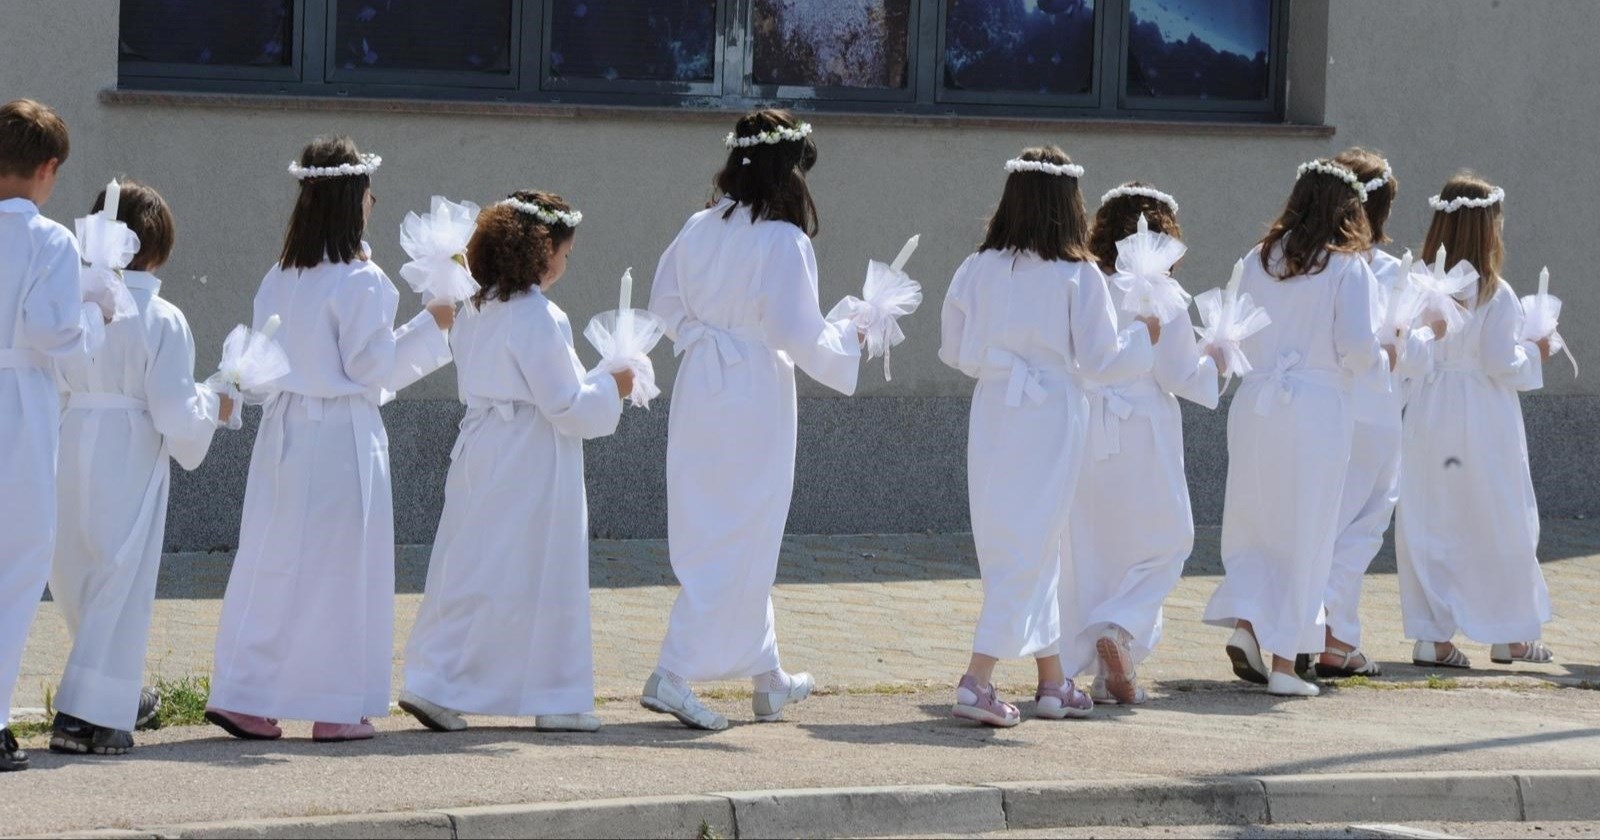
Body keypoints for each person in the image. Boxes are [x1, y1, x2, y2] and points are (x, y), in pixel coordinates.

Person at [206, 136, 454, 743]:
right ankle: (337, 705)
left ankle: (245, 692)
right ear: (353, 198)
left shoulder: (282, 272)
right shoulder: (363, 280)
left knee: (272, 559)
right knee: (342, 567)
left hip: (284, 430)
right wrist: (433, 324)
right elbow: (373, 369)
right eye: (369, 191)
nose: (374, 200)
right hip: (342, 434)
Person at [643, 110, 864, 731]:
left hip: (702, 385)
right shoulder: (783, 240)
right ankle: (673, 671)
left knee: (717, 519)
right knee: (743, 524)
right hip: (755, 391)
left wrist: (701, 337)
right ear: (787, 171)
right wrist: (854, 337)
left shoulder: (698, 225)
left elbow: (665, 304)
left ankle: (766, 674)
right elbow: (797, 334)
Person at [401, 191, 633, 734]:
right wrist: (615, 385)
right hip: (530, 457)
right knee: (542, 570)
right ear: (542, 252)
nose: (566, 266)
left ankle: (436, 680)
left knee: (469, 566)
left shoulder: (476, 309)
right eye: (566, 255)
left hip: (480, 449)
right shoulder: (539, 316)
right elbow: (567, 405)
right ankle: (555, 695)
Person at [940, 149, 1156, 727]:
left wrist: (1003, 360)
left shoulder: (976, 267)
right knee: (1032, 541)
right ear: (1068, 205)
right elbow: (1101, 357)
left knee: (1019, 537)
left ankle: (1053, 679)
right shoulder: (1077, 274)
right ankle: (977, 678)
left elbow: (954, 350)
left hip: (995, 410)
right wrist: (1143, 336)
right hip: (1053, 412)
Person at [50, 180, 232, 756]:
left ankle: (108, 702)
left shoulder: (74, 303)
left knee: (78, 573)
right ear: (155, 248)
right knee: (120, 580)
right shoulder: (162, 316)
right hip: (129, 444)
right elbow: (175, 408)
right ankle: (91, 715)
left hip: (70, 437)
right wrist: (218, 401)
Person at [1202, 158, 1386, 698]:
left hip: (1257, 404)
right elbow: (1356, 347)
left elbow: (1236, 330)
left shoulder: (1257, 259)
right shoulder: (1348, 267)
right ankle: (1285, 663)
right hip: (1315, 408)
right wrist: (1382, 359)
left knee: (1257, 521)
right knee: (1306, 532)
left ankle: (1249, 625)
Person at [1397, 173, 1554, 670]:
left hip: (1430, 408)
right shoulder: (1495, 292)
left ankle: (1432, 634)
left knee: (1431, 515)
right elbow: (1499, 360)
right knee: (1499, 517)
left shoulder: (1420, 283)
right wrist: (1535, 349)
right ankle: (1510, 633)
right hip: (1484, 416)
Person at [0, 98, 107, 772]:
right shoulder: (49, 240)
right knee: (15, 562)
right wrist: (98, 310)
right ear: (48, 169)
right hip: (18, 403)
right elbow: (54, 335)